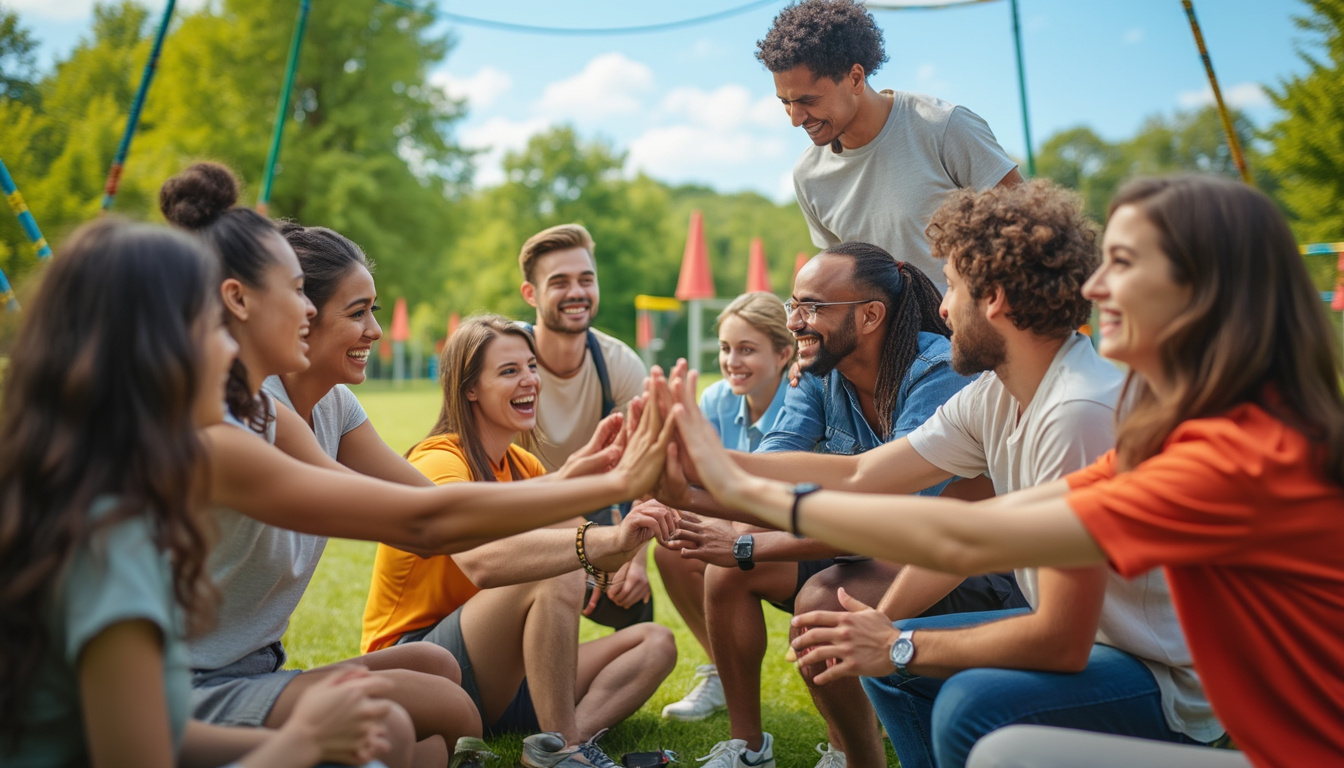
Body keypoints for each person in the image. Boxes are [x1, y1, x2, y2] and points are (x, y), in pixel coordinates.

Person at [667, 175, 1342, 768]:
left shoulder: (1115, 418)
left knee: (971, 707)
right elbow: (924, 505)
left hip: (1180, 692)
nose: (1096, 285)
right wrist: (715, 464)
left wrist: (740, 498)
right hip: (1216, 708)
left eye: (1124, 262)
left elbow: (1006, 581)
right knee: (914, 673)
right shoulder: (1115, 415)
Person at [159, 163, 674, 766]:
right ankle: (560, 751)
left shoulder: (303, 411)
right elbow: (425, 524)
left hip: (251, 667)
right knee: (439, 713)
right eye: (303, 294)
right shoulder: (238, 423)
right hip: (188, 685)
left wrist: (581, 489)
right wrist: (606, 487)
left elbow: (440, 514)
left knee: (434, 692)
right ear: (238, 300)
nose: (374, 330)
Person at [0, 218, 400, 767]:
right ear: (157, 352)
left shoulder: (87, 499)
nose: (227, 349)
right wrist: (300, 744)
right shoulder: (108, 543)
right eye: (213, 328)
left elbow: (161, 735)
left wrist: (303, 744)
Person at [657, 245, 1023, 768]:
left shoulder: (937, 371)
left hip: (959, 565)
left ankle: (854, 755)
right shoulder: (820, 370)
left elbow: (893, 518)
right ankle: (749, 747)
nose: (794, 321)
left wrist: (745, 541)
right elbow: (776, 464)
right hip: (875, 542)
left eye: (811, 306)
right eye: (792, 303)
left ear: (870, 314)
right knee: (730, 575)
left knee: (819, 602)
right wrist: (682, 484)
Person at [361, 315, 678, 768]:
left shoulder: (522, 463)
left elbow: (597, 555)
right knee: (558, 569)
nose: (530, 379)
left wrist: (635, 523)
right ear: (470, 388)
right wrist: (597, 543)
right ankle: (564, 750)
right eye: (509, 371)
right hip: (419, 662)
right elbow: (484, 563)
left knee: (655, 642)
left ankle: (561, 743)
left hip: (496, 672)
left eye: (531, 366)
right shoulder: (438, 461)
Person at [757, 0, 1021, 290]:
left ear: (855, 78)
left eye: (808, 100)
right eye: (786, 102)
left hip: (971, 331)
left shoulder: (944, 127)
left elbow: (1028, 229)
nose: (795, 118)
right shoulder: (808, 175)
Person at [654, 293, 796, 722]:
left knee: (720, 555)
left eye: (747, 349)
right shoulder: (717, 399)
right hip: (742, 522)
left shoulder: (802, 402)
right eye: (725, 348)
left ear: (784, 353)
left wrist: (728, 521)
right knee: (670, 546)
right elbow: (688, 477)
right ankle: (719, 667)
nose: (732, 360)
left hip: (794, 533)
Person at [518, 223, 654, 626]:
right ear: (531, 294)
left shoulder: (618, 363)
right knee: (549, 581)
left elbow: (646, 467)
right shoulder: (504, 359)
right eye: (559, 282)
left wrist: (634, 559)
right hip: (514, 501)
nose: (576, 292)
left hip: (589, 498)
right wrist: (583, 543)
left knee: (633, 603)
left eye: (586, 279)